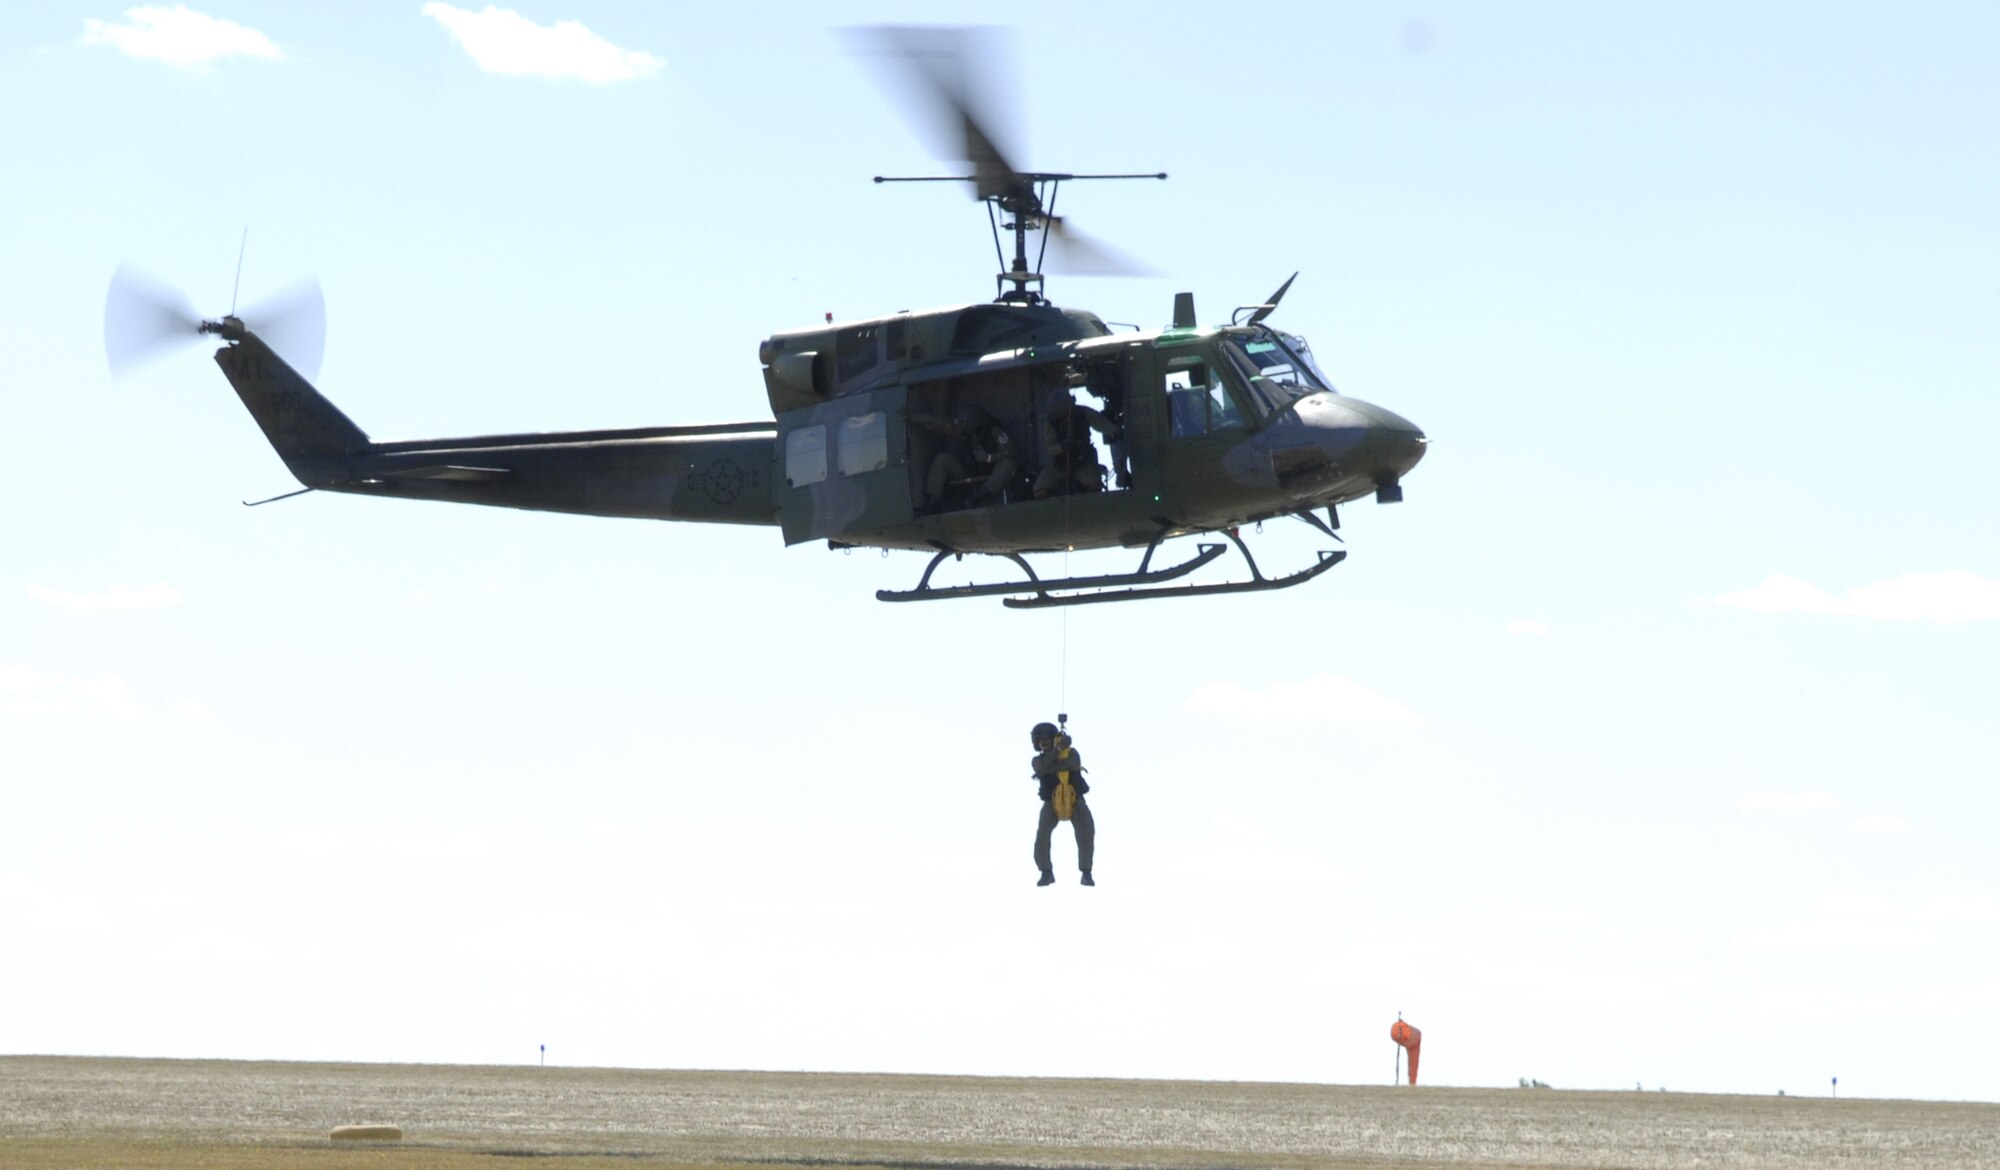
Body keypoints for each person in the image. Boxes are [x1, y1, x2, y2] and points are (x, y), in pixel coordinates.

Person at [906, 401, 1018, 511]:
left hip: (993, 471)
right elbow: (937, 423)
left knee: (1009, 463)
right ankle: (934, 502)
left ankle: (978, 497)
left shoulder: (995, 430)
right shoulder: (962, 429)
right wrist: (913, 416)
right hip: (970, 467)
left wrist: (989, 458)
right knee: (942, 459)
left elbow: (1009, 453)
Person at [1030, 720, 1095, 886]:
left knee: (1086, 831)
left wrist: (1050, 767)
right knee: (1042, 835)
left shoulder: (1071, 753)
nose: (1043, 744)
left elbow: (1073, 764)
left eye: (1047, 740)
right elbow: (1041, 766)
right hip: (1051, 802)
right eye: (1040, 741)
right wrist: (1057, 751)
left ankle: (1086, 872)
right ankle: (1046, 872)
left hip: (1075, 800)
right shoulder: (1037, 760)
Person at [1032, 382, 1120, 499]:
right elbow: (1048, 448)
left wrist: (1114, 431)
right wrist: (1061, 448)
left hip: (1084, 461)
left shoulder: (1083, 413)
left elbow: (1100, 422)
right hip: (1060, 465)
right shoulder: (1050, 424)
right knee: (1039, 490)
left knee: (1095, 486)